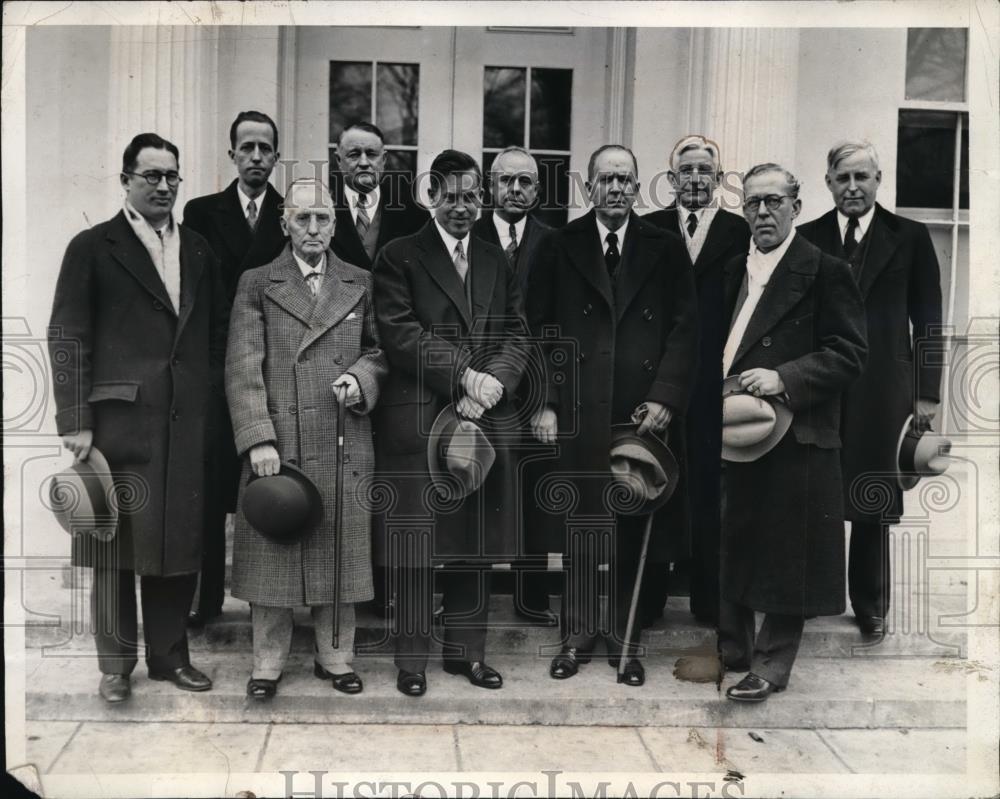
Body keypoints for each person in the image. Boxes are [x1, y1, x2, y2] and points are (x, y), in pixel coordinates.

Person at [48, 132, 228, 703]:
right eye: (151, 175)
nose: (164, 186)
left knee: (179, 542)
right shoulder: (92, 246)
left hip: (185, 422)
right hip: (118, 425)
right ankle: (115, 666)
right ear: (126, 179)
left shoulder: (198, 249)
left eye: (172, 176)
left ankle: (170, 658)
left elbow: (216, 336)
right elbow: (67, 335)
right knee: (115, 548)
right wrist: (74, 418)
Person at [525, 144, 698, 687]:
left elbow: (685, 329)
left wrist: (666, 397)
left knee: (630, 525)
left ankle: (626, 640)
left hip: (640, 416)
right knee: (581, 527)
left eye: (626, 179)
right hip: (578, 409)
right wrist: (547, 402)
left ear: (638, 186)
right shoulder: (559, 245)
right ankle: (575, 637)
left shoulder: (665, 249)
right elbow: (538, 329)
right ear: (589, 188)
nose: (617, 189)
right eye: (607, 180)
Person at [372, 149, 527, 697]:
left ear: (482, 200)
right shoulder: (398, 255)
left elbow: (517, 333)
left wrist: (493, 386)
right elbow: (399, 333)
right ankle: (411, 661)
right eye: (451, 196)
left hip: (483, 419)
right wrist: (465, 378)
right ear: (430, 196)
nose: (462, 207)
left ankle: (467, 655)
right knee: (417, 545)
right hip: (420, 417)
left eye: (471, 197)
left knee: (474, 543)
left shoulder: (494, 258)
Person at [226, 178, 388, 699]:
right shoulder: (257, 282)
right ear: (284, 224)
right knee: (272, 551)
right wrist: (257, 439)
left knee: (337, 554)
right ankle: (267, 664)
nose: (313, 228)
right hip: (280, 440)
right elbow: (242, 366)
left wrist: (361, 378)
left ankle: (335, 657)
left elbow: (382, 351)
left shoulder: (360, 280)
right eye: (302, 218)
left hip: (343, 436)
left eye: (322, 218)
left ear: (335, 224)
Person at [719, 163, 867, 702]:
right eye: (753, 202)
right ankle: (732, 648)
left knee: (788, 551)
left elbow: (851, 354)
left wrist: (784, 377)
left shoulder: (824, 269)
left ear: (796, 207)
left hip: (797, 432)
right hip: (734, 428)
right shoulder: (732, 267)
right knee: (735, 537)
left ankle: (771, 664)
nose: (763, 211)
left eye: (774, 202)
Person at [798, 140, 944, 638]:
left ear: (879, 180)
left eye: (863, 177)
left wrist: (927, 392)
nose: (853, 187)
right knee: (815, 490)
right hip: (823, 385)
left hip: (884, 387)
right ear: (828, 183)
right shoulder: (807, 237)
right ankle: (808, 596)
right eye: (843, 178)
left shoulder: (910, 236)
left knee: (874, 496)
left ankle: (871, 604)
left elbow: (928, 319)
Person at [182, 110, 287, 627]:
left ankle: (271, 599)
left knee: (268, 484)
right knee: (209, 488)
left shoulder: (293, 216)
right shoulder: (202, 212)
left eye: (265, 148)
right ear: (231, 155)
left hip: (269, 371)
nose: (256, 157)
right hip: (212, 369)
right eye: (247, 148)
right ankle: (205, 600)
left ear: (276, 155)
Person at [643, 135, 751, 627]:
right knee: (653, 483)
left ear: (719, 178)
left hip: (714, 383)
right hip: (658, 382)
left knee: (711, 490)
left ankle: (709, 599)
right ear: (671, 180)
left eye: (704, 170)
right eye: (685, 170)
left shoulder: (740, 232)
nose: (694, 178)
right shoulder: (648, 230)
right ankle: (648, 600)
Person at [472, 145, 555, 624]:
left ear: (538, 190)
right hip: (480, 390)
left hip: (534, 391)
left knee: (536, 493)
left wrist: (549, 402)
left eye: (525, 182)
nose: (516, 189)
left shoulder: (554, 241)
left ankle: (533, 595)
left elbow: (553, 325)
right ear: (491, 186)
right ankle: (471, 594)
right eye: (506, 181)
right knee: (477, 486)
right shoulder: (471, 234)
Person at [330, 121, 428, 271]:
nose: (364, 163)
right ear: (338, 160)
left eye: (371, 154)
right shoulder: (321, 211)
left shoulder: (415, 215)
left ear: (384, 159)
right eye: (354, 155)